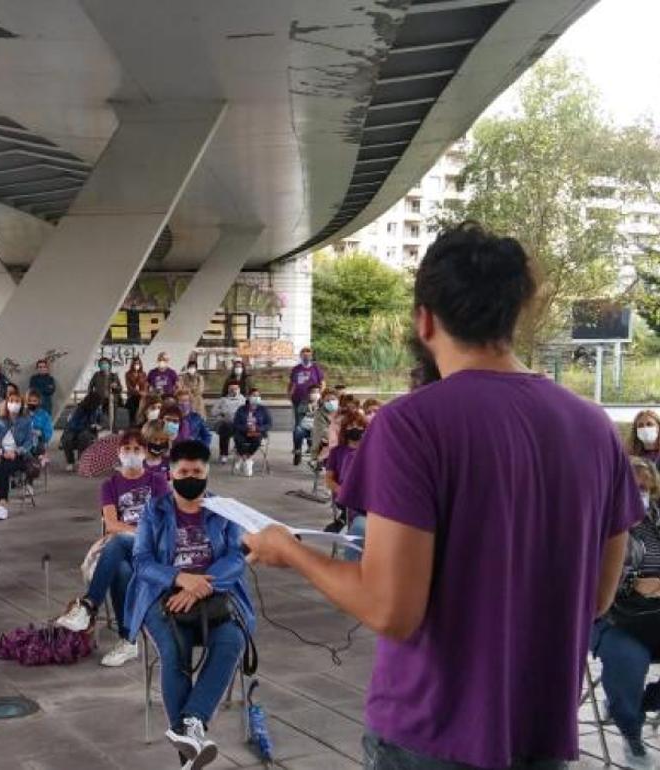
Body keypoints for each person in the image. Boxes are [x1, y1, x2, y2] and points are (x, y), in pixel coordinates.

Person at [244, 222, 642, 769]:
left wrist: (287, 549)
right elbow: (596, 598)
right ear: (514, 313)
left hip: (430, 736)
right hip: (540, 733)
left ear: (424, 319)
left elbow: (391, 611)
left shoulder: (412, 425)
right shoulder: (593, 427)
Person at [126, 440, 252, 768]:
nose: (191, 476)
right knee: (175, 651)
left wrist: (199, 588)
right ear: (171, 474)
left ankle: (191, 723)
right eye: (184, 471)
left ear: (207, 472)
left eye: (197, 471)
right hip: (162, 596)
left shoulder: (225, 509)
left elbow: (238, 557)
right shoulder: (155, 511)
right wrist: (179, 579)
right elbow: (141, 561)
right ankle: (188, 754)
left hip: (214, 595)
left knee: (232, 640)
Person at [55, 429, 169, 667]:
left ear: (145, 453)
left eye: (137, 449)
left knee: (118, 542)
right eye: (126, 449)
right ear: (119, 453)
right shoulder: (110, 485)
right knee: (122, 570)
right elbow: (111, 523)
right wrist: (136, 531)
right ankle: (128, 641)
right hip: (126, 546)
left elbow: (163, 521)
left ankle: (88, 606)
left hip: (152, 548)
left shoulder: (156, 481)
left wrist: (139, 533)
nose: (131, 453)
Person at [591, 458, 660, 763]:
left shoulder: (656, 521)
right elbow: (584, 577)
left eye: (644, 488)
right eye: (632, 487)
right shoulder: (596, 521)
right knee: (628, 663)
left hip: (655, 614)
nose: (639, 494)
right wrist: (634, 583)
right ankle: (631, 730)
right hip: (615, 616)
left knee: (630, 694)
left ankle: (640, 704)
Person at [323, 406, 367, 560]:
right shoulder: (337, 452)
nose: (355, 429)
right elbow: (328, 480)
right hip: (346, 496)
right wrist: (342, 490)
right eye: (351, 426)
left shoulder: (372, 450)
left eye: (359, 426)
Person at [0, 392, 34, 522]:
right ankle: (0, 502)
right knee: (2, 465)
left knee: (3, 468)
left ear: (21, 404)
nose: (14, 404)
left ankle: (2, 504)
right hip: (2, 455)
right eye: (11, 400)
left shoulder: (26, 421)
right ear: (6, 402)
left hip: (20, 456)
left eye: (17, 401)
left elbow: (29, 442)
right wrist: (2, 452)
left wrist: (16, 452)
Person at [232, 388, 271, 477]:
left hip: (257, 432)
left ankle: (245, 458)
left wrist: (258, 428)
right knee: (237, 438)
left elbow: (269, 424)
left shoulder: (263, 409)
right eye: (254, 395)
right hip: (243, 432)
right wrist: (246, 428)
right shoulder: (241, 409)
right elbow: (236, 423)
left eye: (258, 396)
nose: (256, 398)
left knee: (257, 440)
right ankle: (247, 460)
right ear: (248, 397)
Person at [61, 391, 104, 472]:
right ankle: (70, 462)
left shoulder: (97, 410)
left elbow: (101, 423)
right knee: (67, 439)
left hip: (89, 432)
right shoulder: (79, 409)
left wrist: (98, 426)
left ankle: (82, 460)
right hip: (75, 429)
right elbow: (73, 424)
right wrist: (88, 425)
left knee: (84, 436)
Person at [211, 381, 247, 464]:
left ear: (239, 389)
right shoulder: (223, 400)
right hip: (224, 423)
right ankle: (224, 454)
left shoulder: (243, 400)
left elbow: (248, 413)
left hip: (239, 424)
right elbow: (213, 412)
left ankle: (240, 452)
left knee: (239, 429)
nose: (233, 390)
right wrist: (222, 412)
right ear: (228, 390)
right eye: (231, 389)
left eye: (236, 389)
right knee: (226, 427)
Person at [287, 346, 325, 420]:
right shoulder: (296, 369)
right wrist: (289, 394)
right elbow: (292, 383)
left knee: (312, 420)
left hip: (312, 399)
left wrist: (319, 394)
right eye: (304, 355)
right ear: (301, 356)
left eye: (308, 355)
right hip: (298, 398)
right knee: (299, 420)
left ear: (311, 357)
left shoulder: (315, 368)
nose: (306, 357)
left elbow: (323, 383)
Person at [87, 358, 123, 425]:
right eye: (102, 364)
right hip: (99, 398)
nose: (104, 365)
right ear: (99, 366)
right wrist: (91, 396)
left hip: (111, 399)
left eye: (105, 363)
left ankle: (113, 427)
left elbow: (120, 389)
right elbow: (90, 387)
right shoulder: (96, 375)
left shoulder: (114, 376)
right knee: (97, 411)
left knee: (113, 409)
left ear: (109, 365)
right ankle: (98, 425)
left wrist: (116, 387)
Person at [292, 386, 320, 466]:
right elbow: (299, 412)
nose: (315, 394)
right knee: (297, 431)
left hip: (318, 429)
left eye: (317, 392)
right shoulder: (304, 403)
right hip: (305, 427)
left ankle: (316, 457)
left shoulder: (322, 403)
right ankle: (297, 451)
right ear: (309, 394)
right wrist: (310, 407)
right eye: (313, 392)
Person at [25, 389, 54, 456]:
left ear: (39, 401)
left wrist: (41, 433)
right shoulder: (22, 413)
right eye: (29, 401)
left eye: (35, 401)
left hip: (39, 443)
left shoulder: (44, 415)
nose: (32, 403)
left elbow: (49, 431)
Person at [125, 356, 149, 426]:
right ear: (132, 364)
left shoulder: (143, 374)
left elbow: (145, 385)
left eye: (138, 363)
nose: (136, 365)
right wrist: (138, 392)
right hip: (132, 395)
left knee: (144, 406)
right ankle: (132, 423)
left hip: (142, 396)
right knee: (132, 406)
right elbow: (129, 387)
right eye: (135, 363)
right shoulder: (128, 374)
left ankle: (143, 424)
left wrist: (143, 392)